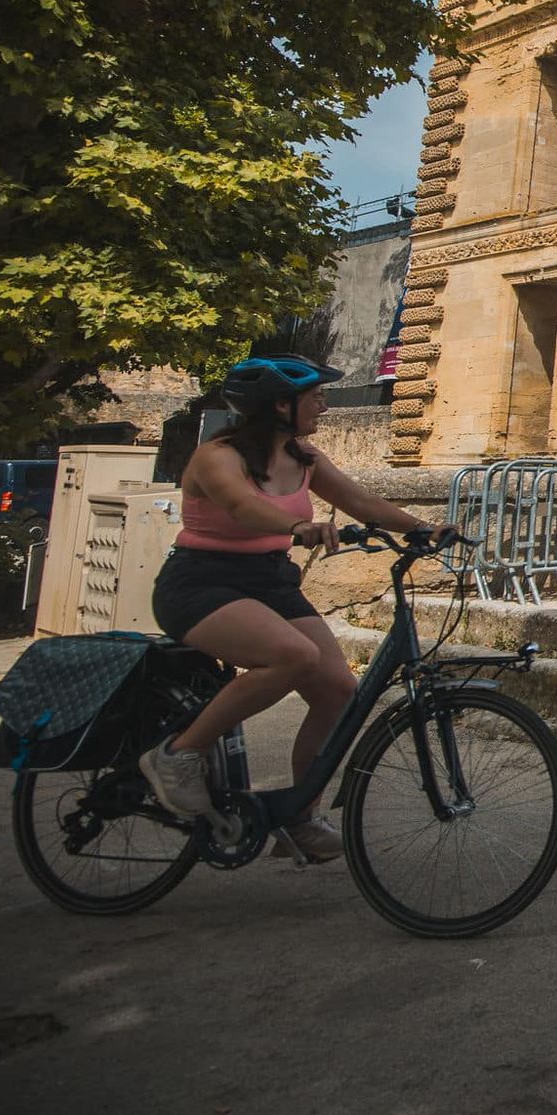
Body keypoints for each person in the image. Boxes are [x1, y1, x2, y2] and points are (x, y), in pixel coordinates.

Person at [137, 355, 438, 860]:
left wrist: (425, 528)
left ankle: (299, 817)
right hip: (201, 583)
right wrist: (295, 526)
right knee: (293, 655)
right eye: (313, 395)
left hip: (270, 582)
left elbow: (361, 502)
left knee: (339, 690)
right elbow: (241, 506)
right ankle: (177, 755)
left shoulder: (306, 458)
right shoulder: (217, 456)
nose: (323, 403)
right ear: (279, 404)